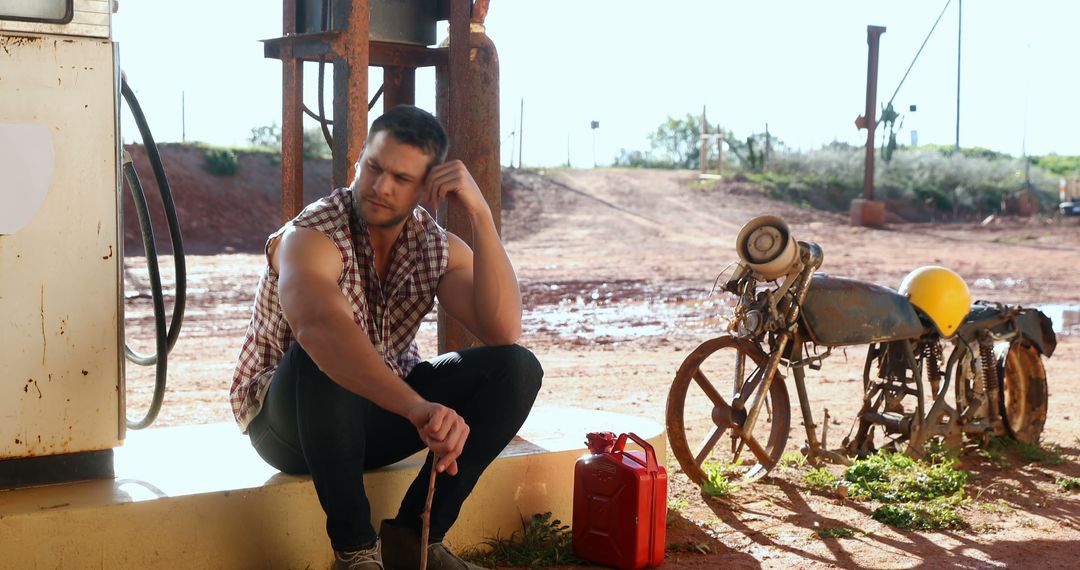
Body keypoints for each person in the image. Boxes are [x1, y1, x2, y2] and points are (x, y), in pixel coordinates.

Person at [229, 105, 543, 570]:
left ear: (427, 187)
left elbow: (502, 330)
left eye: (401, 177)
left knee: (516, 368)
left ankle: (417, 538)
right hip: (289, 426)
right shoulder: (312, 235)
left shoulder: (429, 244)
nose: (381, 187)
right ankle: (355, 553)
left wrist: (479, 213)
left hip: (376, 417)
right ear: (359, 159)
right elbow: (321, 329)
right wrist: (418, 407)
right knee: (326, 351)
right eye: (374, 167)